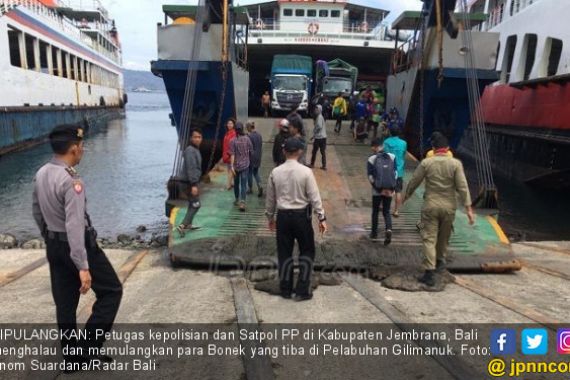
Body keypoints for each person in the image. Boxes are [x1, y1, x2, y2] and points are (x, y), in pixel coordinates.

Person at [32, 124, 122, 368]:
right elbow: (74, 226)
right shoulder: (72, 181)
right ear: (73, 149)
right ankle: (86, 350)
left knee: (65, 303)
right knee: (112, 291)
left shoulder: (41, 172)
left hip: (54, 244)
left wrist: (51, 238)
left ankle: (71, 358)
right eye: (81, 147)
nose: (82, 151)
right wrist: (82, 265)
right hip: (78, 245)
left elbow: (37, 211)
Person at [403, 132, 475, 287]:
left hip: (431, 205)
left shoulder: (426, 163)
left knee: (429, 238)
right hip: (449, 207)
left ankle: (429, 272)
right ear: (447, 148)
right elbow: (463, 187)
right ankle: (440, 263)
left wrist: (405, 196)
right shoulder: (456, 164)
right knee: (444, 237)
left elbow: (415, 181)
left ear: (433, 148)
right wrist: (469, 208)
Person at [265, 138, 327, 301]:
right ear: (299, 152)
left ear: (284, 152)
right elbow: (315, 197)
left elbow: (270, 198)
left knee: (284, 252)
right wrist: (321, 217)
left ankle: (285, 289)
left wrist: (270, 217)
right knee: (307, 251)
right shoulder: (306, 172)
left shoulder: (275, 172)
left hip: (283, 217)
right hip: (301, 217)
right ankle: (301, 291)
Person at [367, 138, 397, 245]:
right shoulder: (392, 157)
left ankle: (374, 233)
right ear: (382, 145)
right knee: (386, 211)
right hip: (389, 190)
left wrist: (379, 189)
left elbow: (370, 177)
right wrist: (391, 189)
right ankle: (388, 229)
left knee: (375, 211)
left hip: (377, 191)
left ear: (374, 147)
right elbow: (395, 174)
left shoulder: (371, 158)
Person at [176, 129, 203, 235]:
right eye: (195, 137)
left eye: (199, 137)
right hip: (187, 183)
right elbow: (191, 168)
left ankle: (189, 224)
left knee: (192, 203)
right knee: (196, 204)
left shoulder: (194, 149)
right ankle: (182, 225)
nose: (197, 139)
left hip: (188, 182)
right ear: (191, 138)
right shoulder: (190, 150)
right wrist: (194, 185)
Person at [383, 126, 408, 218]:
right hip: (399, 171)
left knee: (386, 189)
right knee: (398, 191)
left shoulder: (386, 142)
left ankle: (385, 207)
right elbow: (404, 154)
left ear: (390, 132)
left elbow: (384, 155)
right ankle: (396, 211)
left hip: (388, 170)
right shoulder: (404, 143)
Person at [230, 122, 253, 212]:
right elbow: (251, 151)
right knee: (244, 184)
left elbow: (232, 154)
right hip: (245, 165)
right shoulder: (247, 139)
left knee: (236, 183)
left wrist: (232, 166)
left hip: (236, 166)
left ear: (235, 130)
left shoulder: (232, 141)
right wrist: (249, 159)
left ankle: (236, 199)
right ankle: (242, 202)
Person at [246, 121, 263, 197]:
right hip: (258, 156)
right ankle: (260, 185)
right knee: (256, 172)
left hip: (251, 157)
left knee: (249, 172)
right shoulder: (259, 135)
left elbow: (248, 148)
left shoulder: (249, 136)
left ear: (249, 127)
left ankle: (250, 188)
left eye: (247, 128)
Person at [309, 104, 327, 170]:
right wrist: (313, 136)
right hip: (323, 137)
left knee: (314, 151)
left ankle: (312, 164)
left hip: (319, 138)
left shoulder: (319, 117)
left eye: (316, 109)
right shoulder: (320, 116)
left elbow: (319, 126)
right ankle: (324, 165)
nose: (315, 110)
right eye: (315, 109)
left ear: (319, 110)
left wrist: (314, 133)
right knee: (323, 152)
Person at [222, 119, 237, 190]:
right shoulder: (227, 133)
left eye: (231, 123)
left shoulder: (233, 133)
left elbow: (233, 145)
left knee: (230, 169)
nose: (229, 125)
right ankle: (233, 183)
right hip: (226, 153)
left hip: (230, 154)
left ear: (233, 125)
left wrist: (230, 154)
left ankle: (228, 185)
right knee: (229, 169)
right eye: (228, 123)